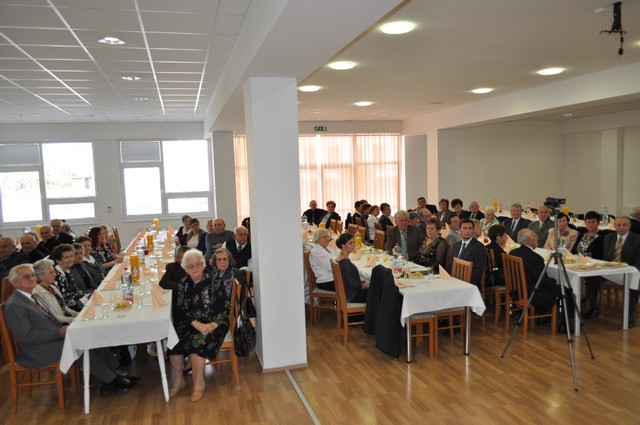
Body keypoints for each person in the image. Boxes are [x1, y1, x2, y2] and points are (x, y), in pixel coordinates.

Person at [4, 264, 140, 397]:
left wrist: (70, 325)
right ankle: (112, 381)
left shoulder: (33, 296)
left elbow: (52, 318)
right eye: (27, 276)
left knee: (88, 334)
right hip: (36, 350)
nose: (32, 278)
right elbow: (26, 337)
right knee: (77, 344)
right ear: (15, 282)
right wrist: (58, 332)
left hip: (51, 339)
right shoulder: (15, 305)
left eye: (33, 275)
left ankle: (113, 374)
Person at [168, 249, 231, 402]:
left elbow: (225, 307)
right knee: (173, 342)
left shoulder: (214, 281)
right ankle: (179, 381)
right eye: (190, 266)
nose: (195, 268)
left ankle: (199, 384)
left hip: (215, 323)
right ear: (185, 268)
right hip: (191, 324)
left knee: (197, 342)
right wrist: (196, 324)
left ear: (203, 265)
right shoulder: (183, 284)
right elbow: (181, 309)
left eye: (197, 264)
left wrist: (212, 325)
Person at [584, 216, 640, 326]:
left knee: (634, 280)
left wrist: (627, 268)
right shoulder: (608, 237)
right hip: (610, 270)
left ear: (629, 226)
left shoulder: (637, 239)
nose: (621, 228)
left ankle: (629, 314)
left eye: (624, 225)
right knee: (591, 277)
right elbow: (606, 257)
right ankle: (593, 307)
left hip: (628, 270)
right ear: (614, 226)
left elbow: (638, 262)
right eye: (618, 225)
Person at [509, 229, 567, 320]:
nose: (538, 238)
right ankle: (567, 322)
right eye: (535, 236)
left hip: (517, 291)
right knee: (565, 289)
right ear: (529, 240)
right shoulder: (535, 258)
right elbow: (544, 280)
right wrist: (555, 281)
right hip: (532, 294)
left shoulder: (512, 253)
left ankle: (543, 316)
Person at [32, 258, 77, 324]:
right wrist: (76, 320)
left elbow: (65, 308)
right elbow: (54, 317)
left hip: (68, 320)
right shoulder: (37, 293)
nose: (55, 274)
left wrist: (78, 315)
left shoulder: (53, 287)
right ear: (41, 276)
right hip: (60, 325)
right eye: (51, 272)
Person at [447, 219, 487, 288]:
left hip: (470, 284)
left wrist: (459, 279)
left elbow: (478, 272)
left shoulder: (480, 247)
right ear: (460, 230)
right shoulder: (456, 246)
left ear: (473, 230)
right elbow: (451, 265)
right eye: (464, 228)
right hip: (454, 282)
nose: (467, 231)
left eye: (470, 228)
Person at [51, 244, 85, 312]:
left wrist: (88, 295)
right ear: (58, 260)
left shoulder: (67, 271)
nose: (70, 259)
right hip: (70, 311)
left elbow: (76, 291)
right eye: (66, 257)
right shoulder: (56, 276)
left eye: (71, 256)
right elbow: (67, 302)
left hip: (77, 305)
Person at [335, 233, 369, 303]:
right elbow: (353, 285)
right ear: (343, 245)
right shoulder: (345, 263)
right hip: (352, 296)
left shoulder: (341, 257)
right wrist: (364, 285)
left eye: (354, 242)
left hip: (349, 293)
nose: (353, 245)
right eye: (350, 243)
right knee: (379, 293)